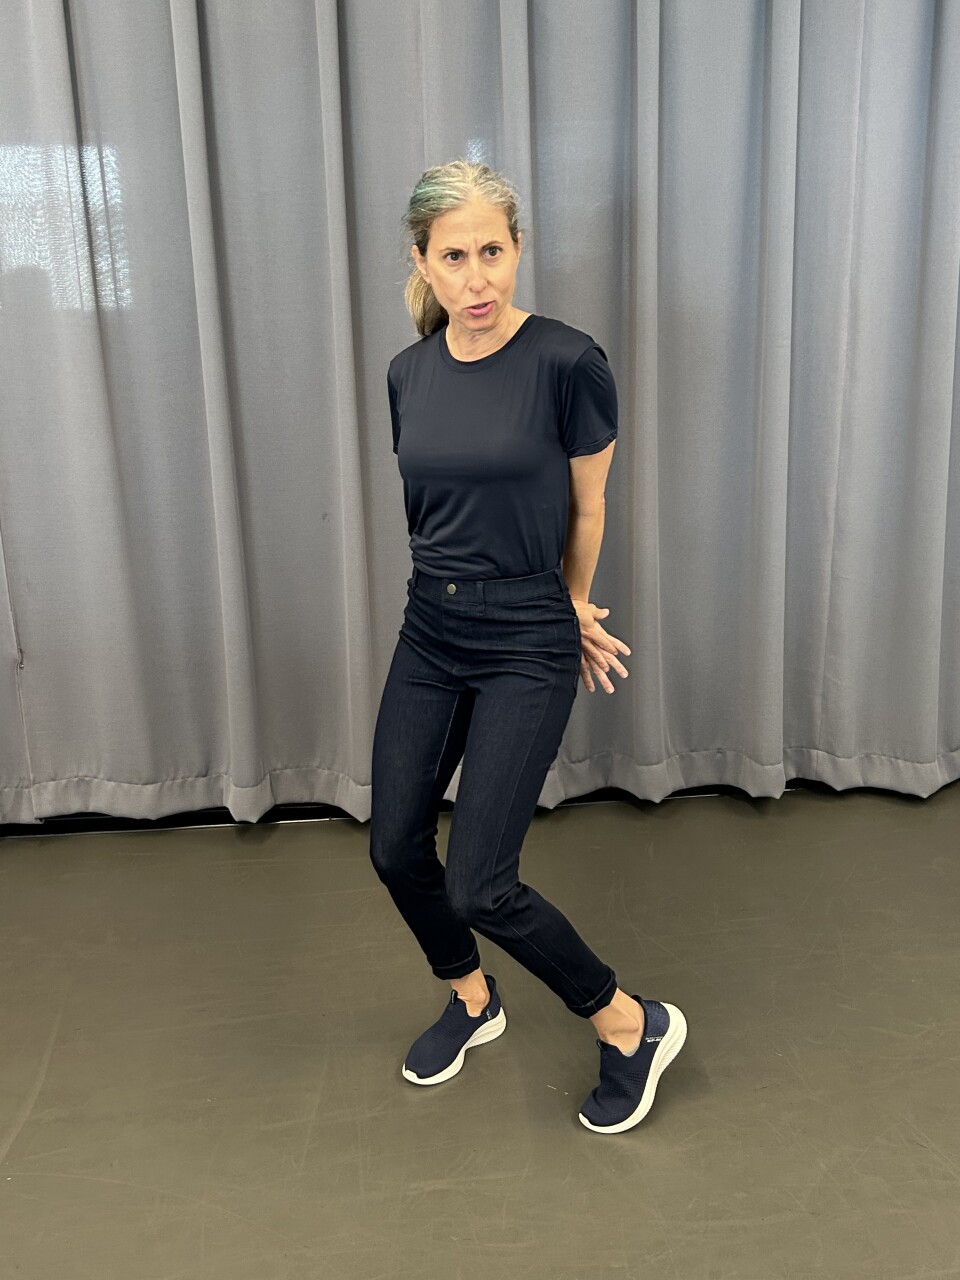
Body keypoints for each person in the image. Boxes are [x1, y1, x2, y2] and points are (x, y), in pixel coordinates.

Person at [369, 159, 686, 1134]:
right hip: (433, 626)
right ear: (423, 259)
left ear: (517, 250)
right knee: (393, 846)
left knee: (480, 879)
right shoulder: (408, 373)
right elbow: (440, 511)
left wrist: (572, 604)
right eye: (454, 256)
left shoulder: (566, 359)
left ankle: (632, 1022)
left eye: (493, 252)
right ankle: (474, 999)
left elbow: (588, 505)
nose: (477, 277)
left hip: (526, 635)